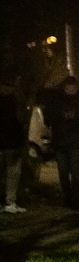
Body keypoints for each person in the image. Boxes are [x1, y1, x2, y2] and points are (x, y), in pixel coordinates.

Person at [45, 76, 79, 209]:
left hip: (74, 141)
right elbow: (48, 118)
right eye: (68, 88)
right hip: (60, 142)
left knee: (75, 173)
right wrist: (60, 116)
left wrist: (76, 118)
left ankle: (75, 200)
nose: (71, 90)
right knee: (63, 173)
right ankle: (67, 197)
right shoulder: (56, 100)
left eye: (73, 88)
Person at [0, 78, 27, 213]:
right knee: (12, 173)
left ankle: (9, 202)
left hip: (12, 143)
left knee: (12, 173)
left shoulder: (16, 101)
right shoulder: (15, 102)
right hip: (11, 142)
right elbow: (19, 121)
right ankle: (10, 202)